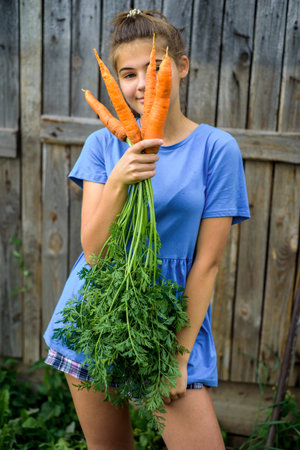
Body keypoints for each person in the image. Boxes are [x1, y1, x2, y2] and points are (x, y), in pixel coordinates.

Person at [44, 9, 250, 450]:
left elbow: (208, 264)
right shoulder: (104, 144)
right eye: (128, 74)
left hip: (170, 321)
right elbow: (95, 252)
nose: (141, 84)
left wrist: (178, 356)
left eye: (154, 67)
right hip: (96, 312)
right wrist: (119, 179)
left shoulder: (216, 149)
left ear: (182, 66)